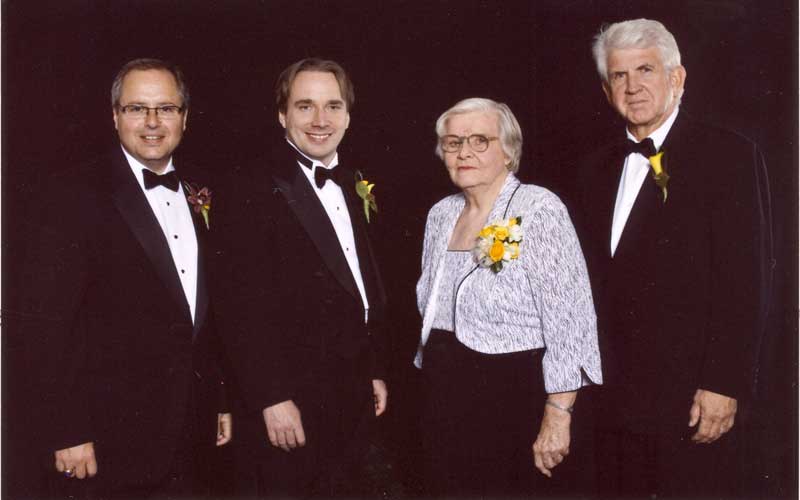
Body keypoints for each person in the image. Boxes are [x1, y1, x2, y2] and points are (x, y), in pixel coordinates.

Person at [15, 58, 231, 499]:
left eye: (166, 109)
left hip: (192, 436)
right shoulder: (70, 195)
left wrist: (220, 400)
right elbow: (43, 326)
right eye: (137, 109)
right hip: (102, 444)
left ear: (184, 118)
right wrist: (67, 430)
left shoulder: (203, 191)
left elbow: (207, 313)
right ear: (115, 117)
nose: (152, 122)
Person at [570, 19, 769, 498]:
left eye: (646, 70)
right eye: (619, 76)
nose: (632, 86)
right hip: (611, 398)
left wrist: (723, 383)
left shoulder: (730, 155)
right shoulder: (593, 167)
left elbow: (746, 281)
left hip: (690, 399)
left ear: (677, 78)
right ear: (605, 88)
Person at [211, 58, 389, 498]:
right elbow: (238, 305)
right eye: (305, 106)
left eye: (333, 105)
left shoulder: (351, 182)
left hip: (350, 395)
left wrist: (373, 370)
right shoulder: (249, 185)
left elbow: (358, 288)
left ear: (348, 115)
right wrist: (271, 398)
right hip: (289, 404)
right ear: (282, 114)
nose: (320, 120)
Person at [414, 97, 602, 498]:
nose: (464, 151)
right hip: (444, 392)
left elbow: (571, 319)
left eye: (480, 140)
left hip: (514, 396)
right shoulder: (440, 215)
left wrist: (558, 413)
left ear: (508, 151)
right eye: (452, 142)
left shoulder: (538, 208)